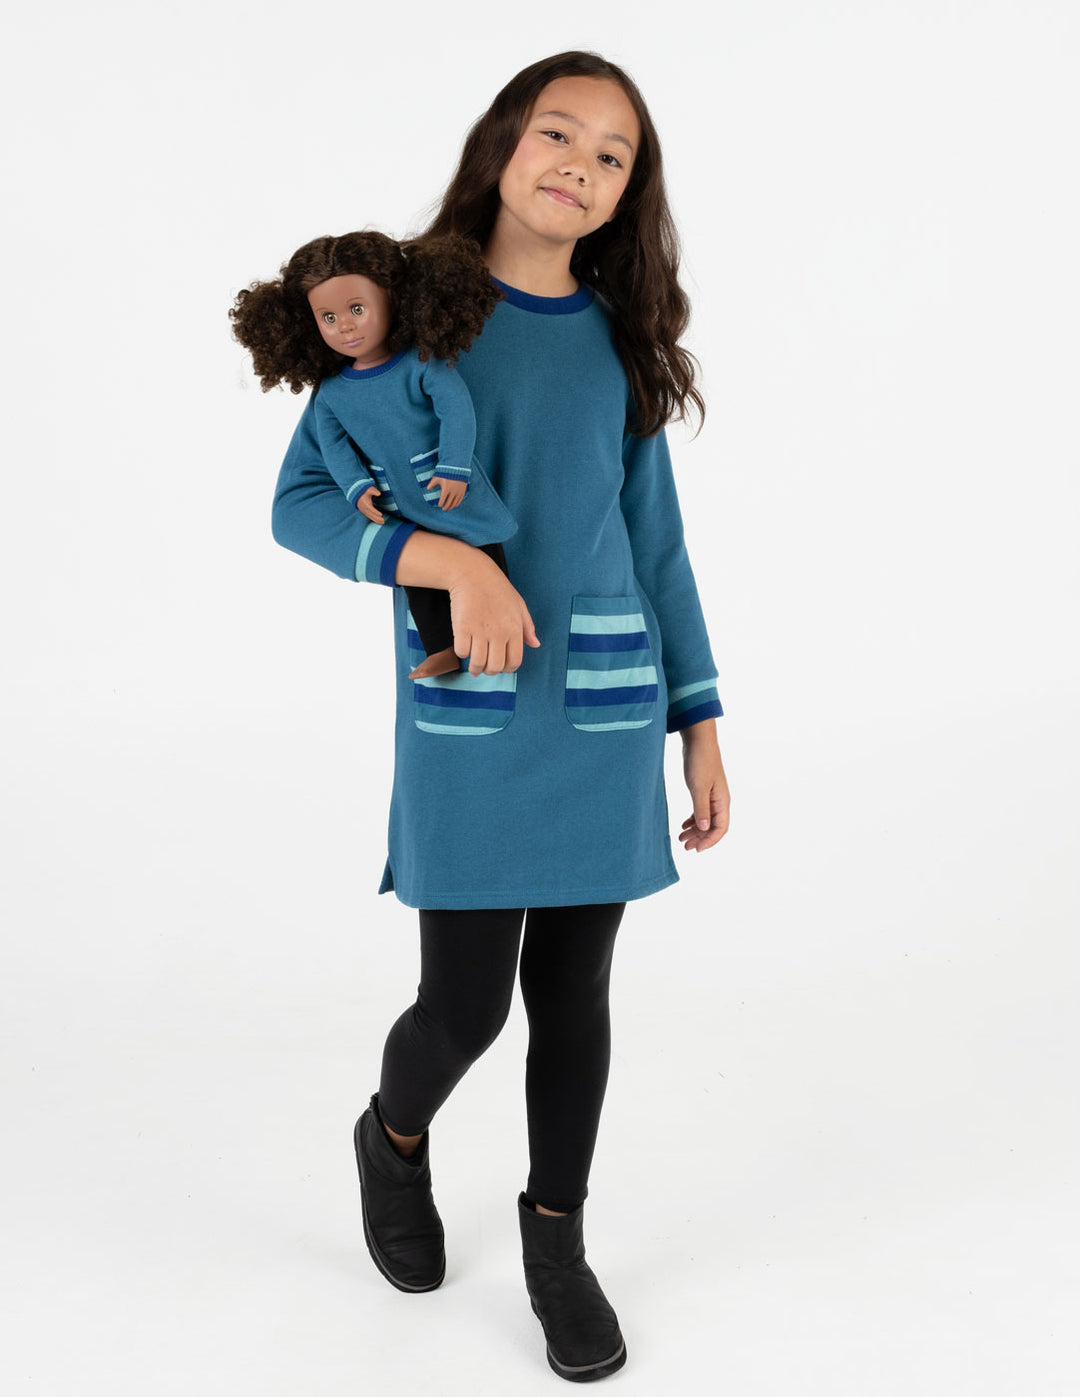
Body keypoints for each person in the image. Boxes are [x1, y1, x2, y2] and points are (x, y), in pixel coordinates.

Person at [267, 50, 732, 1383]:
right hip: (468, 717)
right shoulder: (405, 314)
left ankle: (555, 1240)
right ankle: (393, 1137)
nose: (579, 165)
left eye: (612, 154)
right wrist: (449, 563)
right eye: (558, 133)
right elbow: (302, 504)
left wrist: (699, 719)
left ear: (628, 193)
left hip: (603, 714)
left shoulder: (621, 342)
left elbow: (656, 543)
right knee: (463, 1008)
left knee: (573, 997)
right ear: (503, 144)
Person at [230, 231, 516, 676]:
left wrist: (455, 466)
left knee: (481, 540)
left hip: (444, 485)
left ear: (393, 300)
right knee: (420, 579)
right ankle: (441, 647)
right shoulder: (332, 393)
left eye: (357, 309)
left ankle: (500, 622)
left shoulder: (421, 363)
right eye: (328, 317)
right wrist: (356, 487)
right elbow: (334, 446)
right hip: (396, 500)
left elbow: (457, 412)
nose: (344, 325)